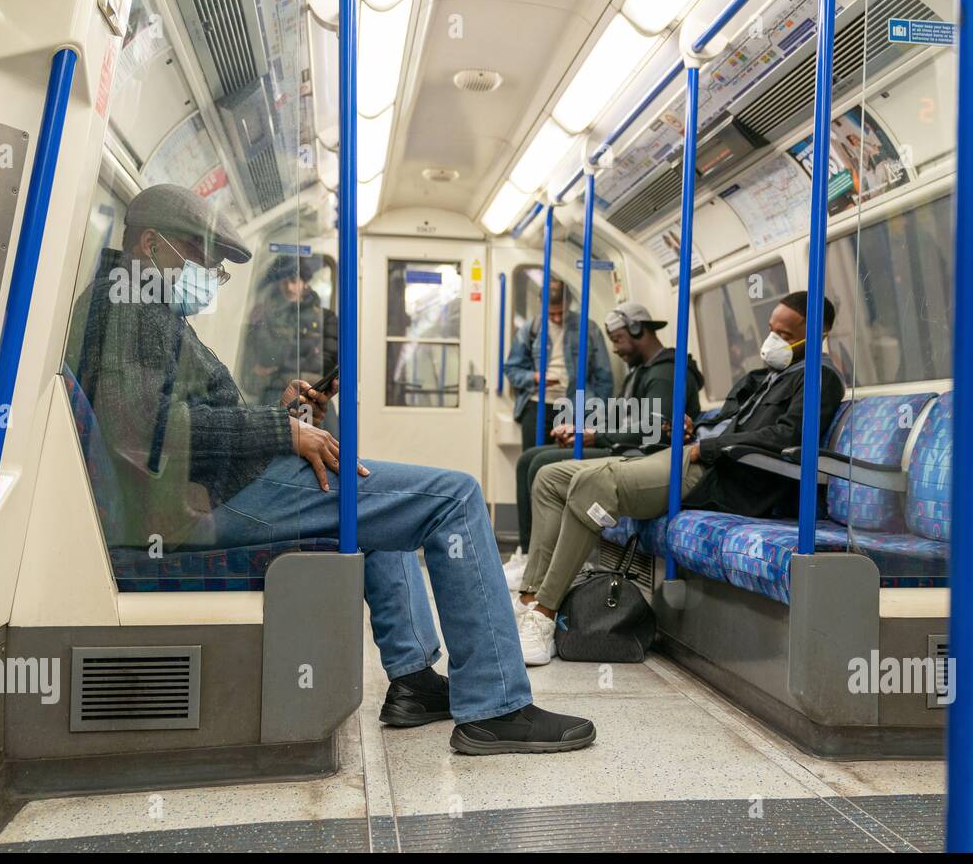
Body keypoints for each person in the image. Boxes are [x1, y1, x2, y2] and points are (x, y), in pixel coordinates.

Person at [71, 184, 594, 755]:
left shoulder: (143, 305)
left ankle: (415, 682)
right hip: (207, 502)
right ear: (150, 244)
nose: (208, 276)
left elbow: (183, 420)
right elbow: (145, 431)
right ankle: (498, 707)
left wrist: (281, 415)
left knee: (378, 504)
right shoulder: (125, 306)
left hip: (219, 485)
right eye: (203, 260)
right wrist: (279, 432)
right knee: (456, 497)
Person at [514, 292, 843, 662]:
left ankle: (544, 614)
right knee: (551, 476)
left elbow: (786, 436)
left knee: (593, 485)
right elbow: (727, 420)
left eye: (784, 335)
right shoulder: (764, 378)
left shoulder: (819, 380)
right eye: (771, 330)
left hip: (724, 475)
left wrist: (713, 447)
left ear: (815, 335)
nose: (772, 341)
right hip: (693, 454)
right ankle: (531, 595)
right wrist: (695, 427)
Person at [503, 303, 705, 609]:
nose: (615, 348)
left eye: (619, 339)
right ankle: (533, 562)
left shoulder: (666, 374)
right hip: (626, 446)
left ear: (638, 331)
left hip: (645, 455)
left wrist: (595, 436)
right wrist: (582, 427)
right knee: (532, 460)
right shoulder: (641, 371)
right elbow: (628, 417)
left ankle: (545, 577)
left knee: (542, 463)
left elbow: (655, 428)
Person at [503, 278, 614, 450]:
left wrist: (599, 412)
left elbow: (603, 376)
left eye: (561, 313)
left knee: (570, 465)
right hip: (538, 404)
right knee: (532, 460)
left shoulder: (588, 328)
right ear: (541, 304)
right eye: (551, 313)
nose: (556, 318)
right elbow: (512, 368)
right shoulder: (532, 328)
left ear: (568, 303)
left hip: (577, 406)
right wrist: (534, 377)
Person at [239, 255, 337, 407]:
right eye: (283, 282)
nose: (289, 288)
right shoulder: (263, 315)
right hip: (274, 393)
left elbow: (326, 364)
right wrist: (306, 355)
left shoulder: (326, 318)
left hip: (313, 394)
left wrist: (277, 368)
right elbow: (265, 355)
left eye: (294, 281)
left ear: (305, 283)